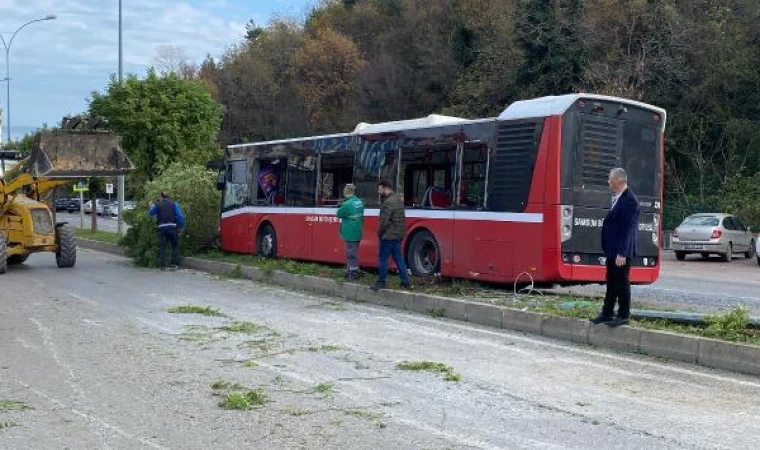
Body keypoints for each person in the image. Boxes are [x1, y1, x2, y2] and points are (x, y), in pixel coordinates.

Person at [591, 168, 640, 327]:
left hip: (621, 251)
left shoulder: (629, 200)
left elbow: (628, 229)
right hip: (613, 249)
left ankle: (624, 314)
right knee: (611, 281)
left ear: (619, 181)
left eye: (610, 179)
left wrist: (622, 253)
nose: (608, 182)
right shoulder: (618, 198)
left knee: (622, 282)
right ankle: (607, 312)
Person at [373, 180, 411, 290]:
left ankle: (381, 281)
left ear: (386, 188)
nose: (378, 192)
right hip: (398, 235)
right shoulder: (398, 200)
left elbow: (384, 221)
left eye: (380, 189)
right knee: (398, 258)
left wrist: (379, 233)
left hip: (388, 235)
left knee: (383, 259)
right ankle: (405, 282)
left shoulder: (388, 202)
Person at [148, 192, 185, 271]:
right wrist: (180, 227)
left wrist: (152, 206)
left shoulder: (158, 205)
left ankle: (163, 266)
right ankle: (174, 265)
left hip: (162, 229)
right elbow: (180, 217)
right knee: (174, 246)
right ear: (168, 197)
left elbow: (150, 213)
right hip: (172, 228)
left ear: (161, 197)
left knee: (162, 247)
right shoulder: (174, 204)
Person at [336, 184, 364, 280]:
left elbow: (339, 214)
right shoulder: (359, 202)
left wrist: (342, 205)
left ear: (346, 191)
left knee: (350, 253)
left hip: (350, 233)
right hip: (358, 231)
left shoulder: (347, 204)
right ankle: (350, 271)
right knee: (353, 252)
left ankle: (353, 273)